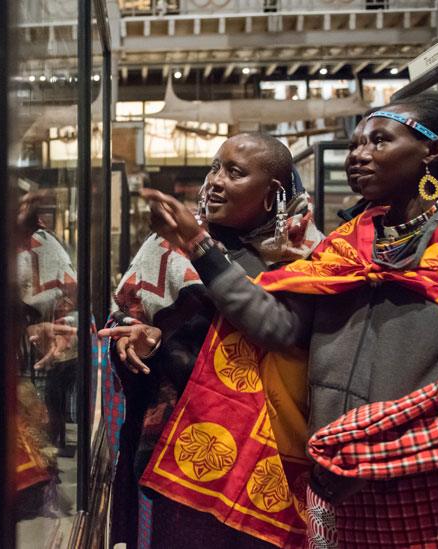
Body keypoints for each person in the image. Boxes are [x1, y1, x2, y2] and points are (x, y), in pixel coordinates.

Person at [140, 98, 438, 547]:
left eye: (379, 141)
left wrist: (376, 452)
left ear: (432, 152)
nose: (358, 154)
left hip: (422, 470)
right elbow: (279, 329)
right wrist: (199, 246)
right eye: (356, 144)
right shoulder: (347, 244)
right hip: (333, 471)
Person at [99, 133, 324, 548]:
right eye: (215, 168)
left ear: (273, 193)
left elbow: (284, 333)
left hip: (272, 455)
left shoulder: (307, 253)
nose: (215, 182)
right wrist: (140, 340)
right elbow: (129, 318)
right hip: (183, 452)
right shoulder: (167, 245)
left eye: (234, 173)